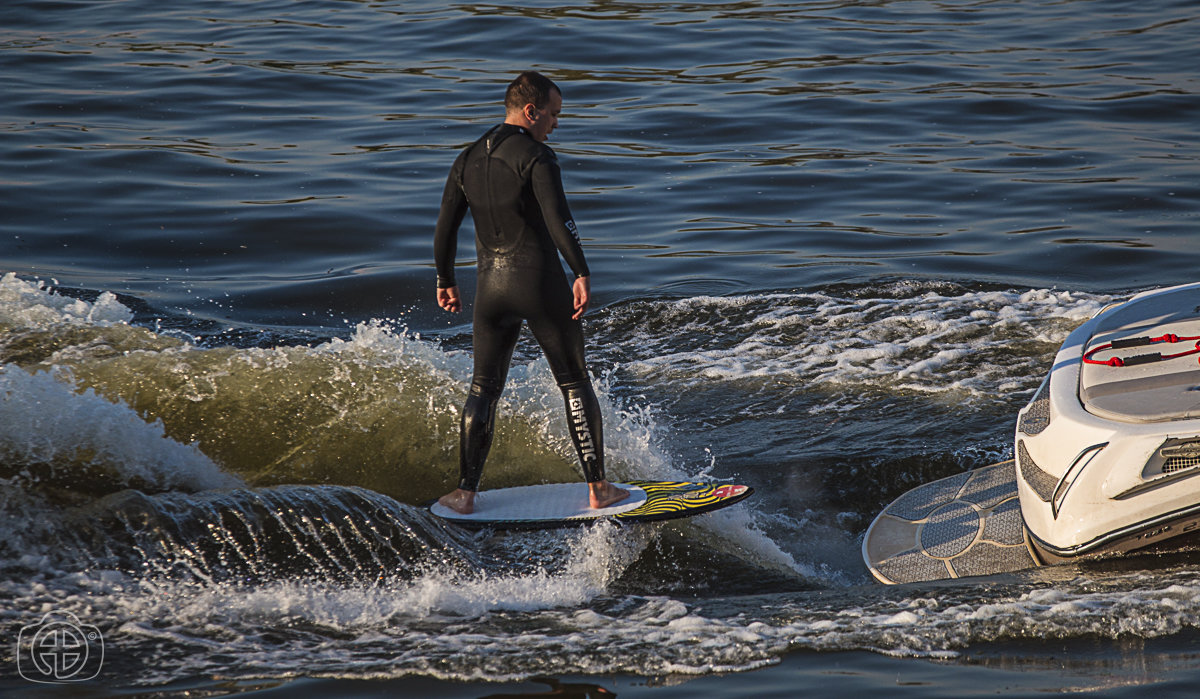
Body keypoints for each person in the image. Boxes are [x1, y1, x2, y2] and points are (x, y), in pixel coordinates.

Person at [433, 71, 628, 515]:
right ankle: (599, 488)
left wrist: (445, 279)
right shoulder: (537, 156)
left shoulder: (466, 158)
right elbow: (559, 218)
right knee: (574, 381)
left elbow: (445, 227)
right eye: (554, 115)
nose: (556, 124)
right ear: (531, 111)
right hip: (538, 283)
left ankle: (464, 493)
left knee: (483, 388)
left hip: (490, 292)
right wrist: (580, 270)